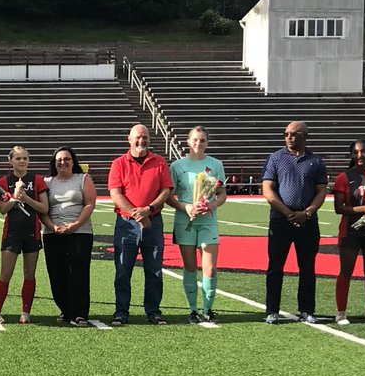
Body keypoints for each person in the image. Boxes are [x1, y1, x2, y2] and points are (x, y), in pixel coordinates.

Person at [262, 121, 327, 324]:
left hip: (308, 222)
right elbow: (268, 189)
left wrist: (306, 213)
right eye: (286, 134)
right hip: (280, 221)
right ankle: (272, 309)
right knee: (275, 266)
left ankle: (307, 309)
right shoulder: (275, 158)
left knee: (307, 267)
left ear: (304, 136)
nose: (289, 137)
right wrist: (288, 213)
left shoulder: (315, 161)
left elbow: (321, 191)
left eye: (293, 134)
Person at [108, 124, 173, 326]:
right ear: (129, 139)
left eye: (144, 137)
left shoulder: (159, 162)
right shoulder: (119, 163)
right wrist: (137, 213)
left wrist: (149, 209)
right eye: (138, 137)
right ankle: (121, 312)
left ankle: (153, 311)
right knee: (122, 270)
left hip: (153, 221)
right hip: (126, 224)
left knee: (154, 270)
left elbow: (166, 190)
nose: (141, 141)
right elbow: (115, 193)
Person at [165, 126, 227, 324]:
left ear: (207, 143)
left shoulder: (215, 164)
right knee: (190, 266)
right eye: (195, 140)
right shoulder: (177, 166)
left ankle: (208, 309)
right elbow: (169, 196)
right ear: (188, 142)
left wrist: (212, 204)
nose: (198, 144)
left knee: (209, 268)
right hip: (185, 221)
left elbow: (222, 193)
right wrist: (186, 207)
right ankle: (193, 310)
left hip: (208, 220)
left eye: (202, 140)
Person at [0, 146, 49, 324]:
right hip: (12, 233)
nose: (22, 161)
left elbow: (44, 208)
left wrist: (26, 198)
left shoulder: (37, 180)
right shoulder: (4, 181)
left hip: (32, 233)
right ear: (11, 161)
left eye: (25, 158)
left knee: (29, 274)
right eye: (18, 158)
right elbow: (2, 209)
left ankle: (26, 312)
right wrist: (15, 197)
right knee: (5, 273)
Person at [333, 139, 365, 326]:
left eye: (363, 151)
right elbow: (338, 208)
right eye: (356, 152)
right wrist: (363, 210)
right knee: (346, 272)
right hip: (350, 231)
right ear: (351, 155)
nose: (360, 155)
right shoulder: (344, 177)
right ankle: (340, 312)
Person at [40, 146, 95, 326]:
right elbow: (42, 210)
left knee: (78, 273)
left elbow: (89, 204)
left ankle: (79, 312)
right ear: (54, 163)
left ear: (73, 161)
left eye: (67, 159)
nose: (63, 162)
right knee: (56, 273)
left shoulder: (83, 178)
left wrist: (76, 224)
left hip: (80, 232)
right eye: (59, 160)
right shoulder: (47, 182)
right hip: (52, 232)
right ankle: (65, 309)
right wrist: (53, 226)